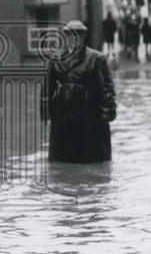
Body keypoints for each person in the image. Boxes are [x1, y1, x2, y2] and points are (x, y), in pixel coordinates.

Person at [41, 20, 117, 163]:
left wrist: (108, 112)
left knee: (91, 158)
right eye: (70, 36)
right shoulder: (56, 59)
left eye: (78, 36)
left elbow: (107, 87)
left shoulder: (96, 58)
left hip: (90, 113)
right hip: (63, 113)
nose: (74, 40)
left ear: (84, 37)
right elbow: (47, 88)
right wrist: (45, 112)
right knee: (63, 159)